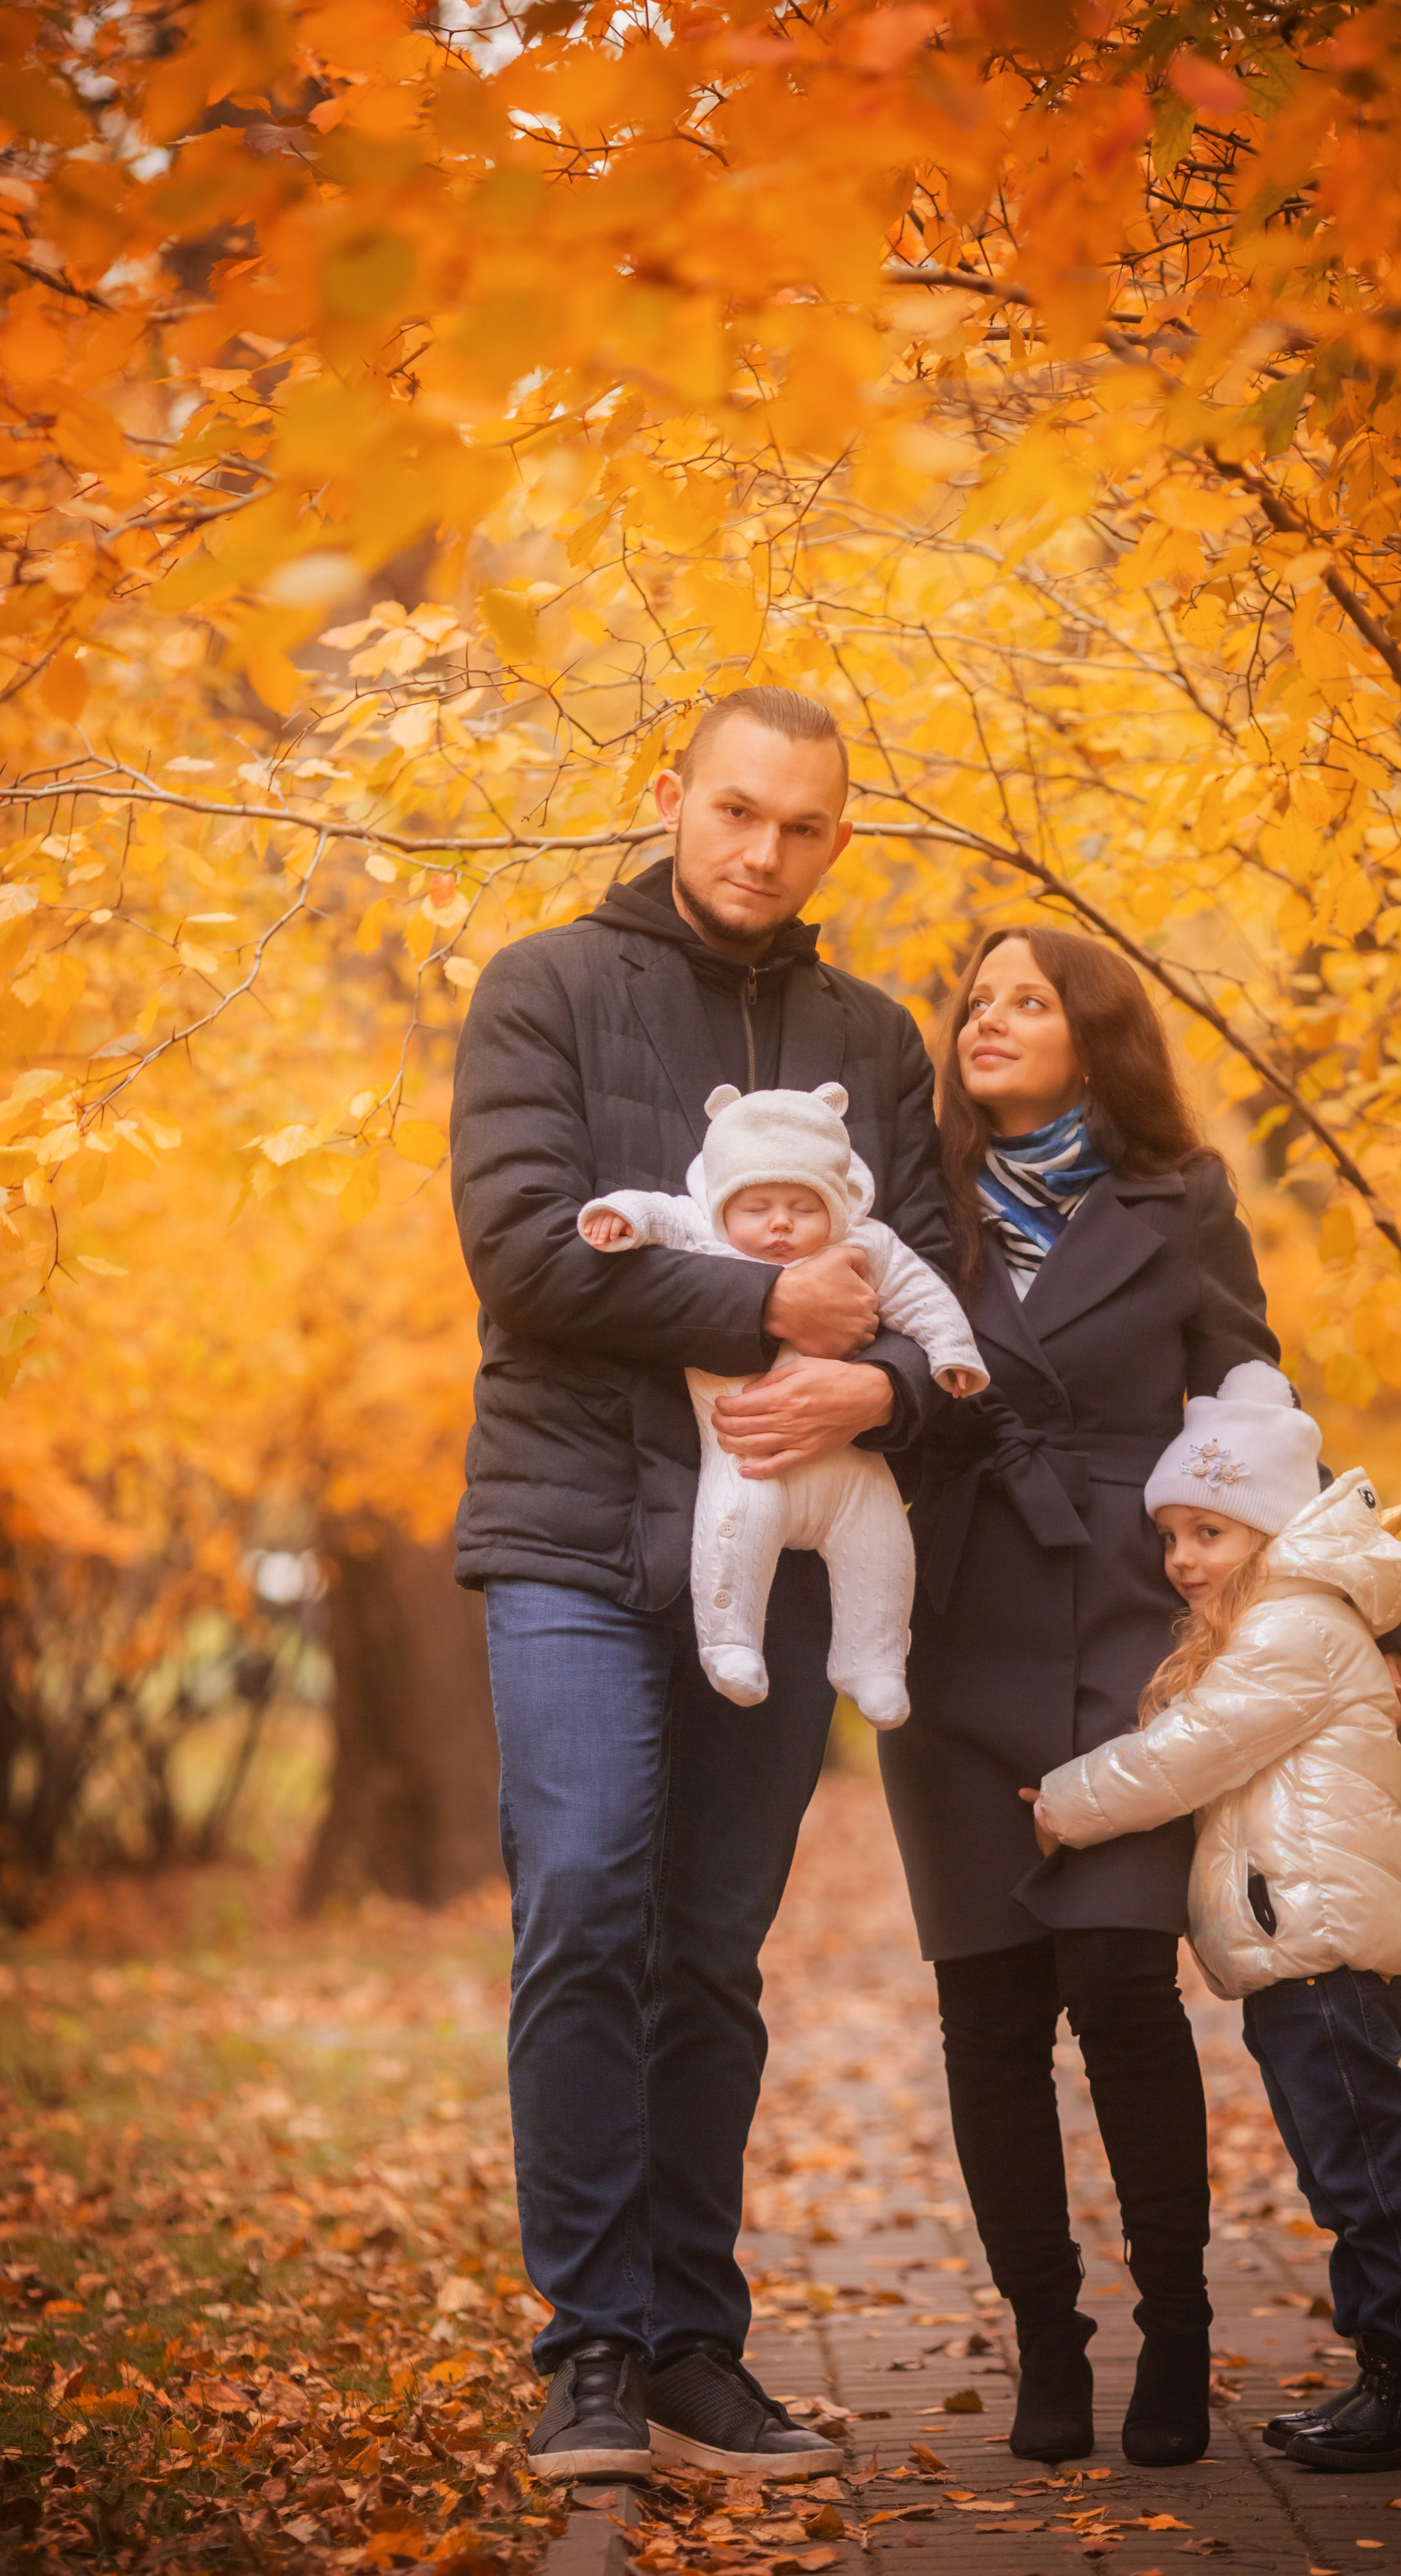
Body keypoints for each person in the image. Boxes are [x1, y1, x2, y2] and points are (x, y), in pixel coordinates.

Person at [450, 685, 951, 2482]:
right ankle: (585, 2346)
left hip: (791, 1552)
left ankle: (689, 2347)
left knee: (709, 1952)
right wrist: (771, 1311)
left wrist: (878, 1384)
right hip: (573, 1533)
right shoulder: (546, 990)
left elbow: (937, 1292)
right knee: (585, 1899)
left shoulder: (873, 1037)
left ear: (837, 839)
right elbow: (525, 1258)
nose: (765, 851)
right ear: (672, 798)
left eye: (804, 825)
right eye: (737, 810)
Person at [876, 926, 1401, 2471]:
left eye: (1026, 1002)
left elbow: (1261, 1423)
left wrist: (1368, 1598)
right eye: (973, 1003)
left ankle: (1171, 2336)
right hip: (951, 1617)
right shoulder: (911, 1198)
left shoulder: (1179, 1204)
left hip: (1135, 1629)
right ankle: (1046, 2346)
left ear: (1092, 1034)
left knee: (1120, 1989)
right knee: (983, 2011)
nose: (987, 1022)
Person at [1031, 1362, 1401, 2473]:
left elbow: (1189, 1754)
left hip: (1325, 1950)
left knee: (1364, 2166)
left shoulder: (1296, 1631)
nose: (1183, 1557)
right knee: (1343, 2164)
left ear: (1270, 1532)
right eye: (1173, 1533)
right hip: (1300, 1947)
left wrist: (1064, 1806)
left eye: (1210, 1532)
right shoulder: (1274, 1625)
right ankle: (1386, 2376)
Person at [578, 1078, 985, 1727]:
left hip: (850, 1463)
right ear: (723, 1203)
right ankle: (731, 1642)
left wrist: (952, 1355)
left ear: (835, 1203)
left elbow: (924, 1293)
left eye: (802, 1206)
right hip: (751, 1455)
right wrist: (622, 1220)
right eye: (758, 1205)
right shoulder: (705, 1237)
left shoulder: (863, 1245)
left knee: (883, 1545)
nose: (779, 1223)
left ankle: (873, 1660)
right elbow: (658, 1210)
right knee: (732, 1530)